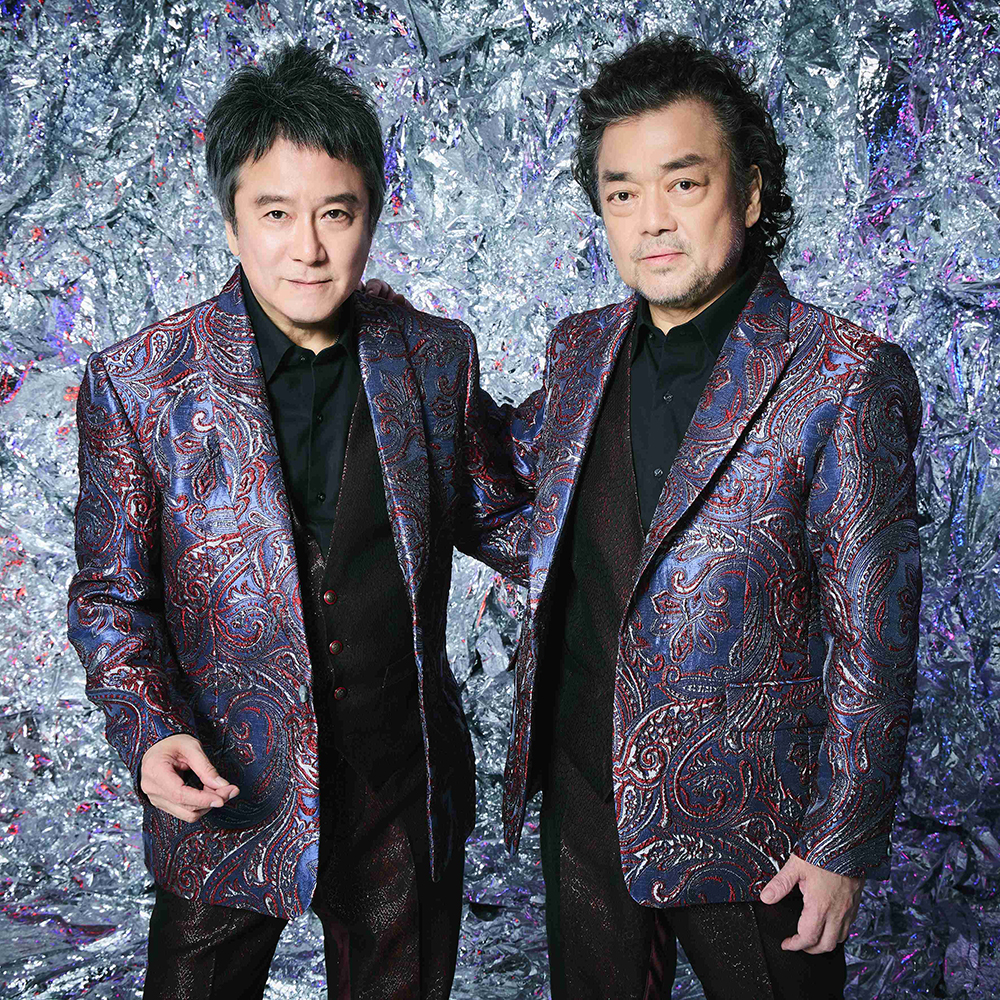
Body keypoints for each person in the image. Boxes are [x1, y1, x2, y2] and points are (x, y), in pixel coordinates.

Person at [67, 42, 527, 1000]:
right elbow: (111, 598)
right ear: (233, 220)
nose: (308, 247)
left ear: (373, 217)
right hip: (226, 791)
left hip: (401, 789)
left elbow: (506, 517)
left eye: (336, 213)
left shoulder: (434, 358)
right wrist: (148, 731)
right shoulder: (140, 384)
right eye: (276, 213)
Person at [500, 33, 923, 999]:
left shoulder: (843, 376)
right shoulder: (579, 351)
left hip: (759, 828)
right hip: (585, 795)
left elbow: (875, 635)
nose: (651, 220)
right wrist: (388, 346)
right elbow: (522, 511)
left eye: (683, 184)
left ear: (752, 192)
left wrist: (842, 842)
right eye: (621, 194)